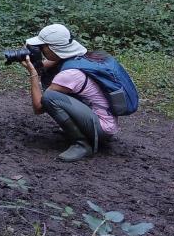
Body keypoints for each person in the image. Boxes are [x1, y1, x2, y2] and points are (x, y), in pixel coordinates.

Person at [19, 24, 119, 162]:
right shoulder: (79, 56)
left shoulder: (69, 75)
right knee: (51, 79)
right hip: (103, 119)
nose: (40, 50)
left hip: (101, 128)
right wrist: (33, 61)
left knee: (50, 97)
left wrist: (33, 74)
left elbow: (38, 107)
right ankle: (80, 129)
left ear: (53, 48)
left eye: (42, 47)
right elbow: (47, 64)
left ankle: (82, 144)